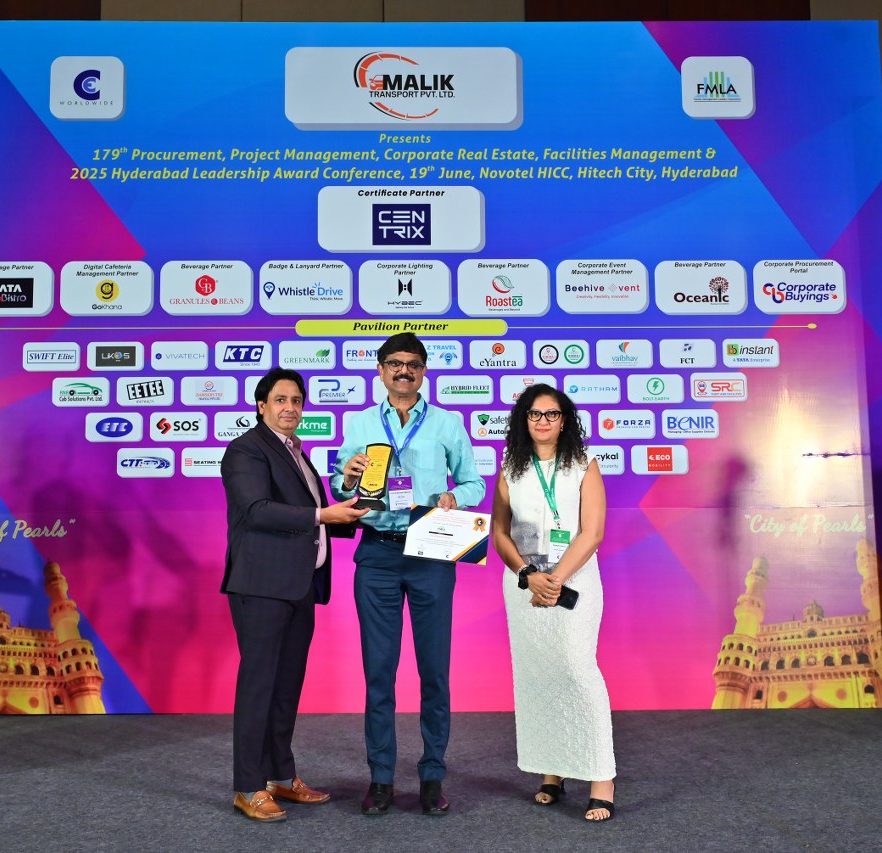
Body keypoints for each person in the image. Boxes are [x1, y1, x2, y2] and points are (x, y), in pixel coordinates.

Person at [332, 332, 486, 815]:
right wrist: (348, 478)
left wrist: (455, 496)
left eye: (413, 364)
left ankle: (432, 776)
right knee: (379, 672)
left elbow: (475, 481)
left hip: (431, 554)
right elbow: (340, 485)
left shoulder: (447, 423)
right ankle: (380, 778)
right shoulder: (359, 422)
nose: (404, 371)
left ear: (424, 371)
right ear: (380, 370)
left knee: (433, 671)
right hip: (377, 554)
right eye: (395, 363)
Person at [220, 368, 369, 821]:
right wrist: (324, 515)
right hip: (261, 586)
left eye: (297, 400)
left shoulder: (298, 453)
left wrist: (358, 507)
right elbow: (258, 510)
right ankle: (248, 786)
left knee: (286, 687)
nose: (290, 408)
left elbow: (318, 517)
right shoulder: (246, 449)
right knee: (259, 687)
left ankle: (280, 776)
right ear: (261, 405)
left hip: (300, 585)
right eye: (281, 400)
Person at [489, 384, 616, 822]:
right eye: (534, 414)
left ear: (565, 421)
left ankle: (601, 778)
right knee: (537, 676)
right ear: (523, 420)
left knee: (577, 671)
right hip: (524, 585)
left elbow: (592, 531)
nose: (543, 421)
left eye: (552, 414)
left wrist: (556, 580)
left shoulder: (584, 463)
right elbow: (499, 532)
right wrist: (528, 575)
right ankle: (552, 770)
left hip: (573, 582)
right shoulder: (510, 467)